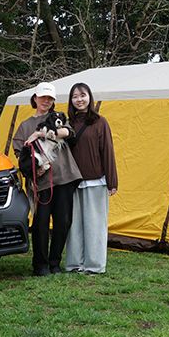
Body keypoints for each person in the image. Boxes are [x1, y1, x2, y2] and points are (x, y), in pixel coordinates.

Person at [11, 82, 82, 276]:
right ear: (35, 98)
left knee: (63, 221)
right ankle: (40, 264)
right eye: (43, 97)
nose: (46, 101)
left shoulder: (58, 118)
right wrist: (35, 169)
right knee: (41, 222)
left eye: (50, 98)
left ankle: (55, 263)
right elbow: (20, 153)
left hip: (65, 178)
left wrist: (40, 133)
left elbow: (68, 132)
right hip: (41, 183)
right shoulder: (25, 125)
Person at [65, 82, 117, 274]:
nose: (79, 99)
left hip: (95, 181)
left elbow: (108, 152)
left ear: (89, 97)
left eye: (82, 95)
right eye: (75, 96)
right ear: (71, 100)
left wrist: (112, 181)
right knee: (74, 225)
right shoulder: (66, 123)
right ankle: (74, 264)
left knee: (95, 224)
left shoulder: (100, 122)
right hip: (72, 182)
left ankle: (94, 266)